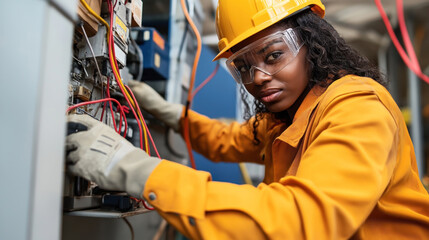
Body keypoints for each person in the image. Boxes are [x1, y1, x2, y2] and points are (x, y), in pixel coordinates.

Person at [65, 0, 429, 238]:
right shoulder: (288, 115)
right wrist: (170, 113)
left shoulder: (357, 109)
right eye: (243, 67)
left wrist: (135, 169)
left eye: (272, 56)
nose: (257, 78)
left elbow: (299, 223)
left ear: (313, 45)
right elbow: (230, 139)